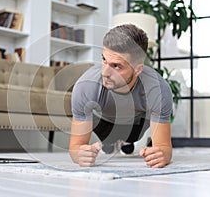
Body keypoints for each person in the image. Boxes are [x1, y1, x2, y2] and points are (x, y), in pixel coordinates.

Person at [68, 24, 173, 168]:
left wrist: (161, 155)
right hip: (103, 123)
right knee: (108, 140)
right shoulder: (85, 86)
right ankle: (108, 142)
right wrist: (79, 154)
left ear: (137, 70)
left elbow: (164, 148)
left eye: (116, 66)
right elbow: (75, 147)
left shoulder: (158, 89)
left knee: (132, 133)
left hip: (135, 126)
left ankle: (126, 141)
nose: (105, 72)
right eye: (104, 60)